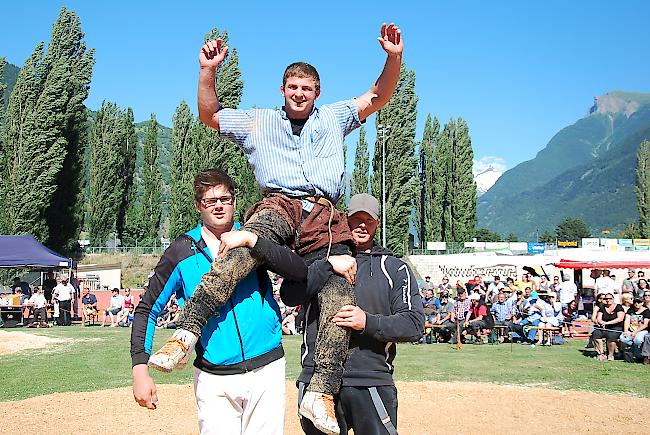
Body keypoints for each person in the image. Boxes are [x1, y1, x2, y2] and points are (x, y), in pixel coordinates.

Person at [148, 23, 405, 431]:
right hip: (278, 203)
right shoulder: (259, 121)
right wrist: (207, 69)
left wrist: (393, 58)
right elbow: (210, 114)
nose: (299, 93)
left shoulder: (334, 117)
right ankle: (187, 332)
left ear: (317, 93)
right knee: (242, 248)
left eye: (306, 88)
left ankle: (320, 391)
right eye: (292, 87)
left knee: (340, 291)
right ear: (282, 91)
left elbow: (377, 96)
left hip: (325, 215)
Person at [131, 169, 299, 435]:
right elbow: (147, 310)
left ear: (234, 201)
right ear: (199, 205)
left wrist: (254, 242)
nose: (219, 206)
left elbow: (298, 271)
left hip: (267, 367)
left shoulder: (254, 237)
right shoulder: (181, 251)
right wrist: (140, 370)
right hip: (214, 377)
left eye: (225, 198)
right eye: (210, 201)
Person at [274, 193, 423, 434]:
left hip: (370, 379)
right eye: (356, 219)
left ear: (377, 224)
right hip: (317, 382)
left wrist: (367, 322)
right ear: (344, 219)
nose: (363, 225)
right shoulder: (319, 259)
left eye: (369, 220)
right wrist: (328, 264)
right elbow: (290, 295)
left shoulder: (394, 267)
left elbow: (414, 324)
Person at [592, 294, 625, 361]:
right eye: (606, 299)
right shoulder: (602, 307)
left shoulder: (618, 307)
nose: (608, 300)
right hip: (605, 327)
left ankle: (610, 354)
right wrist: (602, 323)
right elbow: (599, 318)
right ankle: (601, 353)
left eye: (610, 298)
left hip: (617, 327)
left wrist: (607, 323)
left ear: (613, 299)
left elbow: (620, 318)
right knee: (596, 333)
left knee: (611, 335)